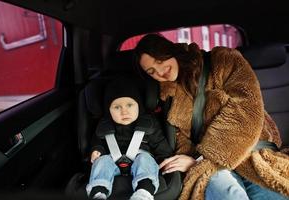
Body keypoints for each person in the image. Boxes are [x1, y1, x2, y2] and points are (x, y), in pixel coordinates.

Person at [134, 33, 289, 200]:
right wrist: (193, 161)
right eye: (151, 71)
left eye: (159, 61)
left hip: (253, 154)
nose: (160, 72)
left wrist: (206, 157)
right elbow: (183, 140)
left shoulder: (223, 60)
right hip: (209, 167)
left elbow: (246, 108)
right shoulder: (168, 97)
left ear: (170, 51)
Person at [86, 76, 173, 200]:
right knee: (102, 161)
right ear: (108, 110)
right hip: (112, 164)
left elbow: (161, 145)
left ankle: (143, 192)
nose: (124, 111)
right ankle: (98, 192)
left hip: (140, 160)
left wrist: (165, 160)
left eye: (130, 105)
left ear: (139, 106)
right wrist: (97, 150)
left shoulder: (148, 124)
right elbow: (97, 142)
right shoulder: (104, 126)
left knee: (145, 159)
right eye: (117, 107)